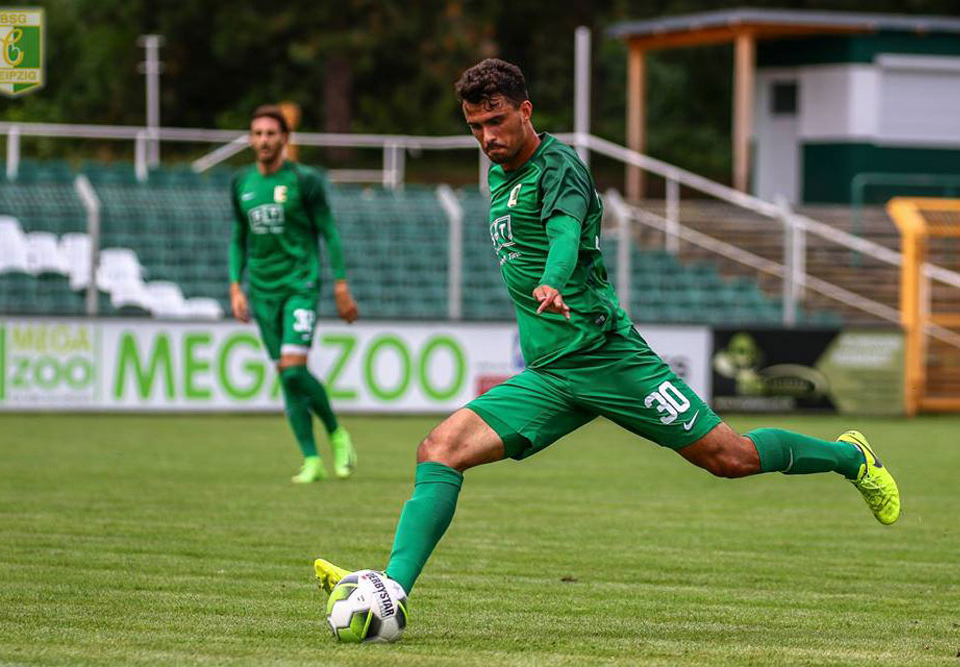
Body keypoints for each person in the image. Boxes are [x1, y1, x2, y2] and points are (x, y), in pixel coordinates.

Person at [314, 58, 899, 618]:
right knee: (438, 450)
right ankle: (392, 588)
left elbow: (566, 233)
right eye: (475, 127)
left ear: (526, 110)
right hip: (550, 374)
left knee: (730, 458)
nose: (487, 136)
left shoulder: (560, 166)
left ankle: (852, 458)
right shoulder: (499, 174)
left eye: (496, 120)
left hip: (606, 356)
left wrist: (552, 280)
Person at [229, 105, 359, 483]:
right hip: (262, 291)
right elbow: (238, 237)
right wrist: (236, 286)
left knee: (293, 368)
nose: (264, 140)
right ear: (251, 140)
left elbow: (329, 231)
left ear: (285, 139)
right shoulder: (241, 184)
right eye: (257, 134)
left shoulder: (305, 180)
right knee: (286, 376)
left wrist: (340, 283)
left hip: (300, 285)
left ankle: (337, 432)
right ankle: (311, 459)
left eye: (271, 133)